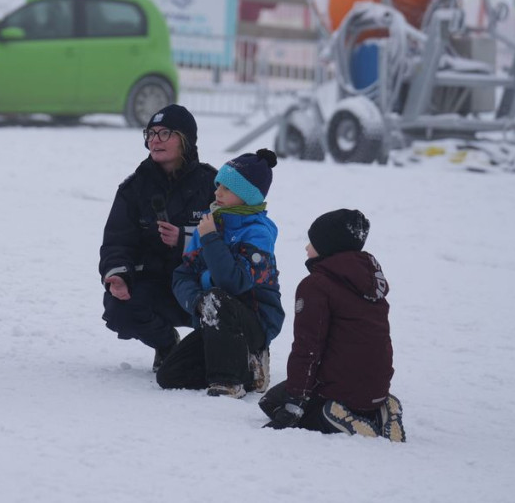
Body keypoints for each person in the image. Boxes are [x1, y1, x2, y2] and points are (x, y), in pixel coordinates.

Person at [259, 209, 405, 441]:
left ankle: (333, 417)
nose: (307, 247)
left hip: (340, 387)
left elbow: (307, 348)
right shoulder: (370, 283)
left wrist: (296, 402)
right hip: (377, 387)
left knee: (271, 403)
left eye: (313, 242)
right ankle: (380, 410)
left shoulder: (316, 285)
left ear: (329, 247)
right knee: (278, 396)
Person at [99, 104, 218, 372]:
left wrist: (185, 240)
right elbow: (116, 241)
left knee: (234, 302)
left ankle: (223, 354)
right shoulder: (134, 188)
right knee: (119, 306)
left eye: (165, 133)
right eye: (150, 133)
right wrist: (117, 275)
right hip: (155, 285)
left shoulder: (213, 186)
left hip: (199, 285)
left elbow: (232, 242)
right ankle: (166, 344)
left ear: (186, 139)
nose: (154, 140)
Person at [158, 149, 283, 398]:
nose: (217, 193)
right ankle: (248, 369)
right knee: (169, 376)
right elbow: (182, 275)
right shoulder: (210, 223)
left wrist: (212, 239)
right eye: (218, 186)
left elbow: (234, 283)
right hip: (213, 319)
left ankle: (229, 381)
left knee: (216, 296)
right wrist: (197, 302)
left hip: (253, 323)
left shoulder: (258, 233)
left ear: (248, 195)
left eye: (227, 188)